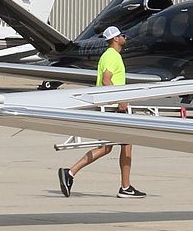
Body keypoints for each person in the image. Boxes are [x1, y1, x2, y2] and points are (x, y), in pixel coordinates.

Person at [58, 25, 145, 198]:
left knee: (106, 148)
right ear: (115, 39)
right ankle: (125, 187)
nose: (125, 38)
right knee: (126, 144)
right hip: (114, 107)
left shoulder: (108, 55)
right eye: (123, 36)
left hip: (109, 106)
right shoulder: (112, 56)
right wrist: (121, 99)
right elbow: (106, 80)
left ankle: (70, 172)